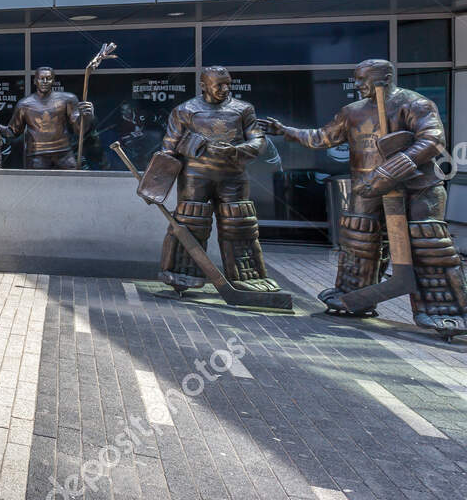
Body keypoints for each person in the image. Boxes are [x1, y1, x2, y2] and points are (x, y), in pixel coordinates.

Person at [261, 58, 466, 331]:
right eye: (356, 79)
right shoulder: (352, 111)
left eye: (363, 79)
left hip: (418, 187)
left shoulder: (415, 104)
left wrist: (394, 169)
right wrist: (285, 131)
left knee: (428, 245)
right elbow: (322, 137)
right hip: (368, 187)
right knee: (359, 240)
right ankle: (353, 295)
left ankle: (445, 309)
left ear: (385, 78)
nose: (358, 85)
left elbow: (432, 140)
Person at [155, 67, 280, 294]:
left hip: (233, 176)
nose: (225, 89)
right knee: (190, 223)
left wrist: (235, 150)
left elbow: (258, 141)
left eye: (227, 84)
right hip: (195, 178)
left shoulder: (243, 109)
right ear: (203, 85)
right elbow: (169, 148)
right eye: (218, 84)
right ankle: (181, 273)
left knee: (239, 224)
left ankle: (246, 275)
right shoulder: (185, 110)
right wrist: (156, 182)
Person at [3, 67, 93, 169]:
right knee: (36, 184)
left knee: (73, 181)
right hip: (37, 154)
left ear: (53, 81)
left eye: (48, 78)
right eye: (41, 78)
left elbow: (79, 130)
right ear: (35, 81)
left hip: (64, 153)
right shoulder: (24, 104)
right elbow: (12, 132)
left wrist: (87, 116)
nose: (45, 81)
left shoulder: (68, 99)